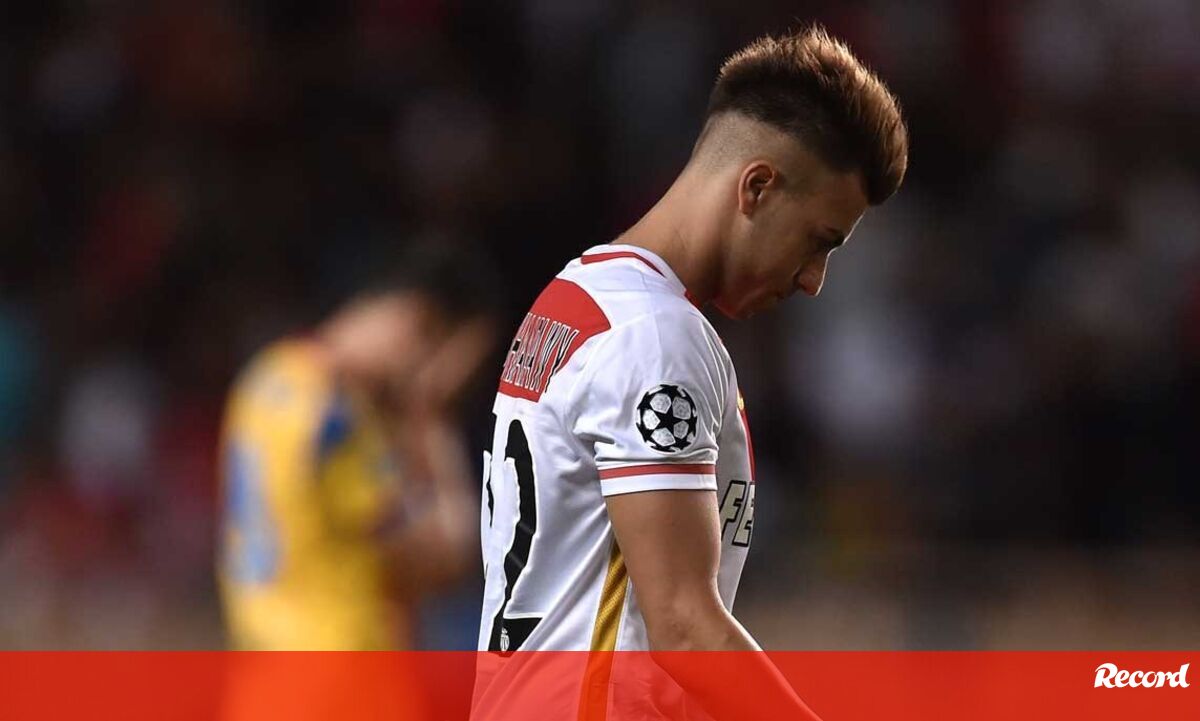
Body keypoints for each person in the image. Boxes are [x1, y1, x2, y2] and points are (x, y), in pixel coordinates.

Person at [473, 26, 908, 720]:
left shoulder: (577, 299)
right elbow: (682, 627)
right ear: (757, 187)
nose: (814, 280)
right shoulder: (655, 337)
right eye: (819, 241)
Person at [218, 243, 497, 652]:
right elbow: (444, 558)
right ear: (417, 323)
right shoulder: (337, 417)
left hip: (265, 660)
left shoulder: (266, 377)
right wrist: (434, 420)